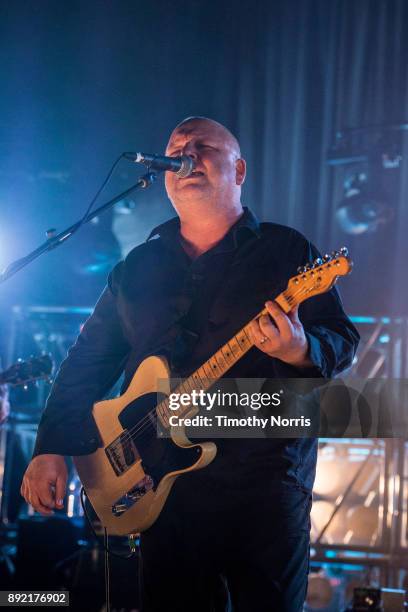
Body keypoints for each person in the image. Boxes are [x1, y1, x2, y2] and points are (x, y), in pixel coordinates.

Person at [21, 116, 359, 611]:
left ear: (239, 170)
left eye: (203, 146)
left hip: (263, 485)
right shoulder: (137, 267)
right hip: (163, 489)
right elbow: (86, 363)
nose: (186, 153)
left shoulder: (286, 251)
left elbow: (342, 338)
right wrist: (50, 447)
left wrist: (300, 350)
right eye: (177, 148)